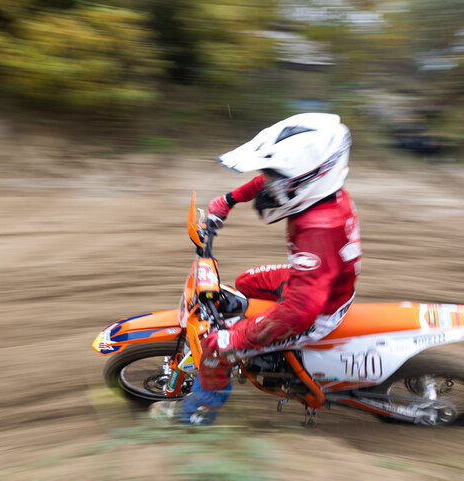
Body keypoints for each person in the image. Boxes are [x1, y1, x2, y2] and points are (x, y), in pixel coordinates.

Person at [153, 113, 362, 425]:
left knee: (215, 348)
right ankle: (266, 355)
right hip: (316, 281)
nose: (268, 186)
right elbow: (273, 180)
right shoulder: (322, 192)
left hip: (316, 311)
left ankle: (196, 416)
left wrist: (235, 341)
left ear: (308, 179)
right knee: (246, 282)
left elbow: (299, 313)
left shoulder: (318, 228)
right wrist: (228, 201)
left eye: (277, 181)